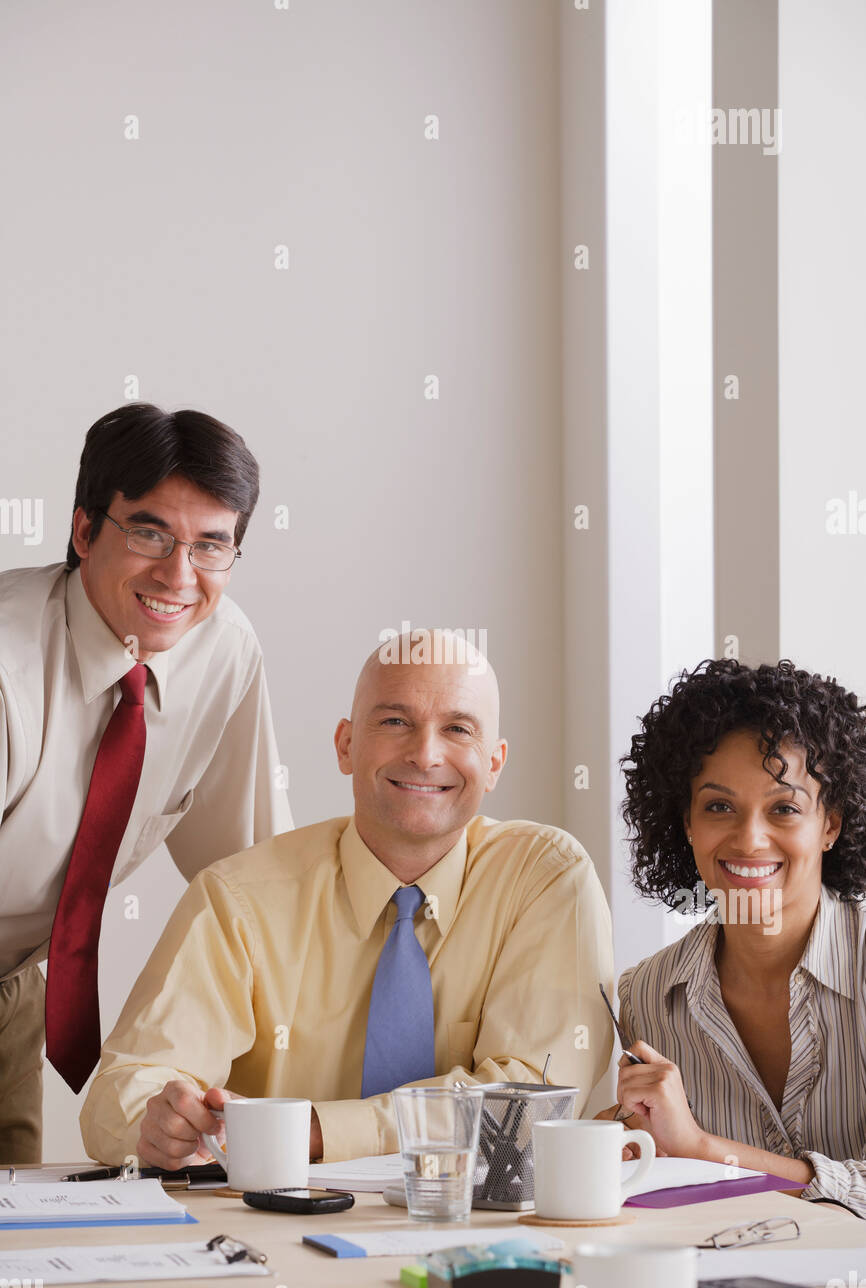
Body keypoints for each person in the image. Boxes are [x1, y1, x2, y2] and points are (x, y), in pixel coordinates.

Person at [80, 630, 614, 1167]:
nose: (426, 754)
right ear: (345, 745)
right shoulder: (237, 899)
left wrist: (315, 1133)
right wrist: (157, 1124)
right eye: (394, 722)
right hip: (272, 1230)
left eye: (458, 729)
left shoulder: (546, 878)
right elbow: (120, 1094)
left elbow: (530, 1104)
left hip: (482, 1229)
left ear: (494, 764)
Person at [0, 402, 292, 1162]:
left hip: (11, 989)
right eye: (149, 532)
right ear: (84, 529)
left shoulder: (222, 651)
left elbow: (250, 879)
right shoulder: (7, 673)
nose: (178, 574)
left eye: (210, 545)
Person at [608, 658, 866, 1218]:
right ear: (686, 823)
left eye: (784, 808)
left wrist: (703, 1149)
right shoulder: (648, 995)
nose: (749, 839)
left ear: (830, 825)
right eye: (719, 806)